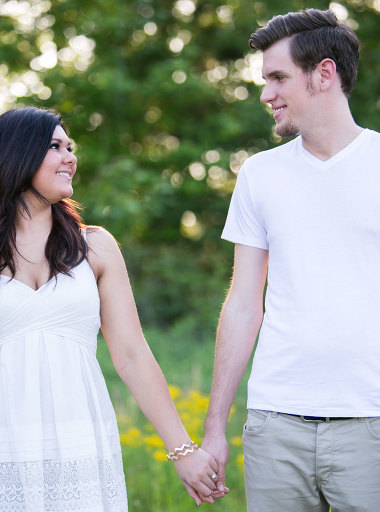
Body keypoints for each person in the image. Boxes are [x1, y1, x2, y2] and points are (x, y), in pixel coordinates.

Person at [201, 8, 380, 512]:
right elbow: (242, 303)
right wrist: (214, 427)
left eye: (278, 77)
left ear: (324, 74)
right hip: (274, 422)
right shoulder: (259, 175)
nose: (265, 93)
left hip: (371, 422)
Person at [0, 106, 221, 510]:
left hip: (80, 436)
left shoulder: (95, 247)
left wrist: (183, 450)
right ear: (16, 154)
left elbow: (133, 355)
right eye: (55, 146)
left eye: (71, 147)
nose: (70, 157)